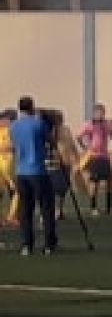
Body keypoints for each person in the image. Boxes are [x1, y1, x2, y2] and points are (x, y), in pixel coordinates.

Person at [11, 97, 56, 255]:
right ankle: (49, 244)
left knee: (25, 210)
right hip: (37, 170)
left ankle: (27, 244)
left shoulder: (14, 126)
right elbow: (51, 141)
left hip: (21, 171)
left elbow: (14, 146)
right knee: (46, 208)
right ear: (32, 107)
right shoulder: (38, 124)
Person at [77, 103, 112, 216]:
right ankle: (93, 207)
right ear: (94, 113)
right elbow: (78, 137)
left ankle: (109, 207)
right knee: (94, 182)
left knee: (109, 181)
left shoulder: (106, 124)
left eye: (102, 112)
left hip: (105, 157)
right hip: (94, 157)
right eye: (98, 112)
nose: (100, 114)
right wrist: (86, 148)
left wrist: (111, 129)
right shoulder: (89, 124)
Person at [0, 109, 19, 226]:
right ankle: (12, 216)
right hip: (7, 164)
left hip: (5, 163)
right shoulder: (10, 130)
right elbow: (13, 146)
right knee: (18, 191)